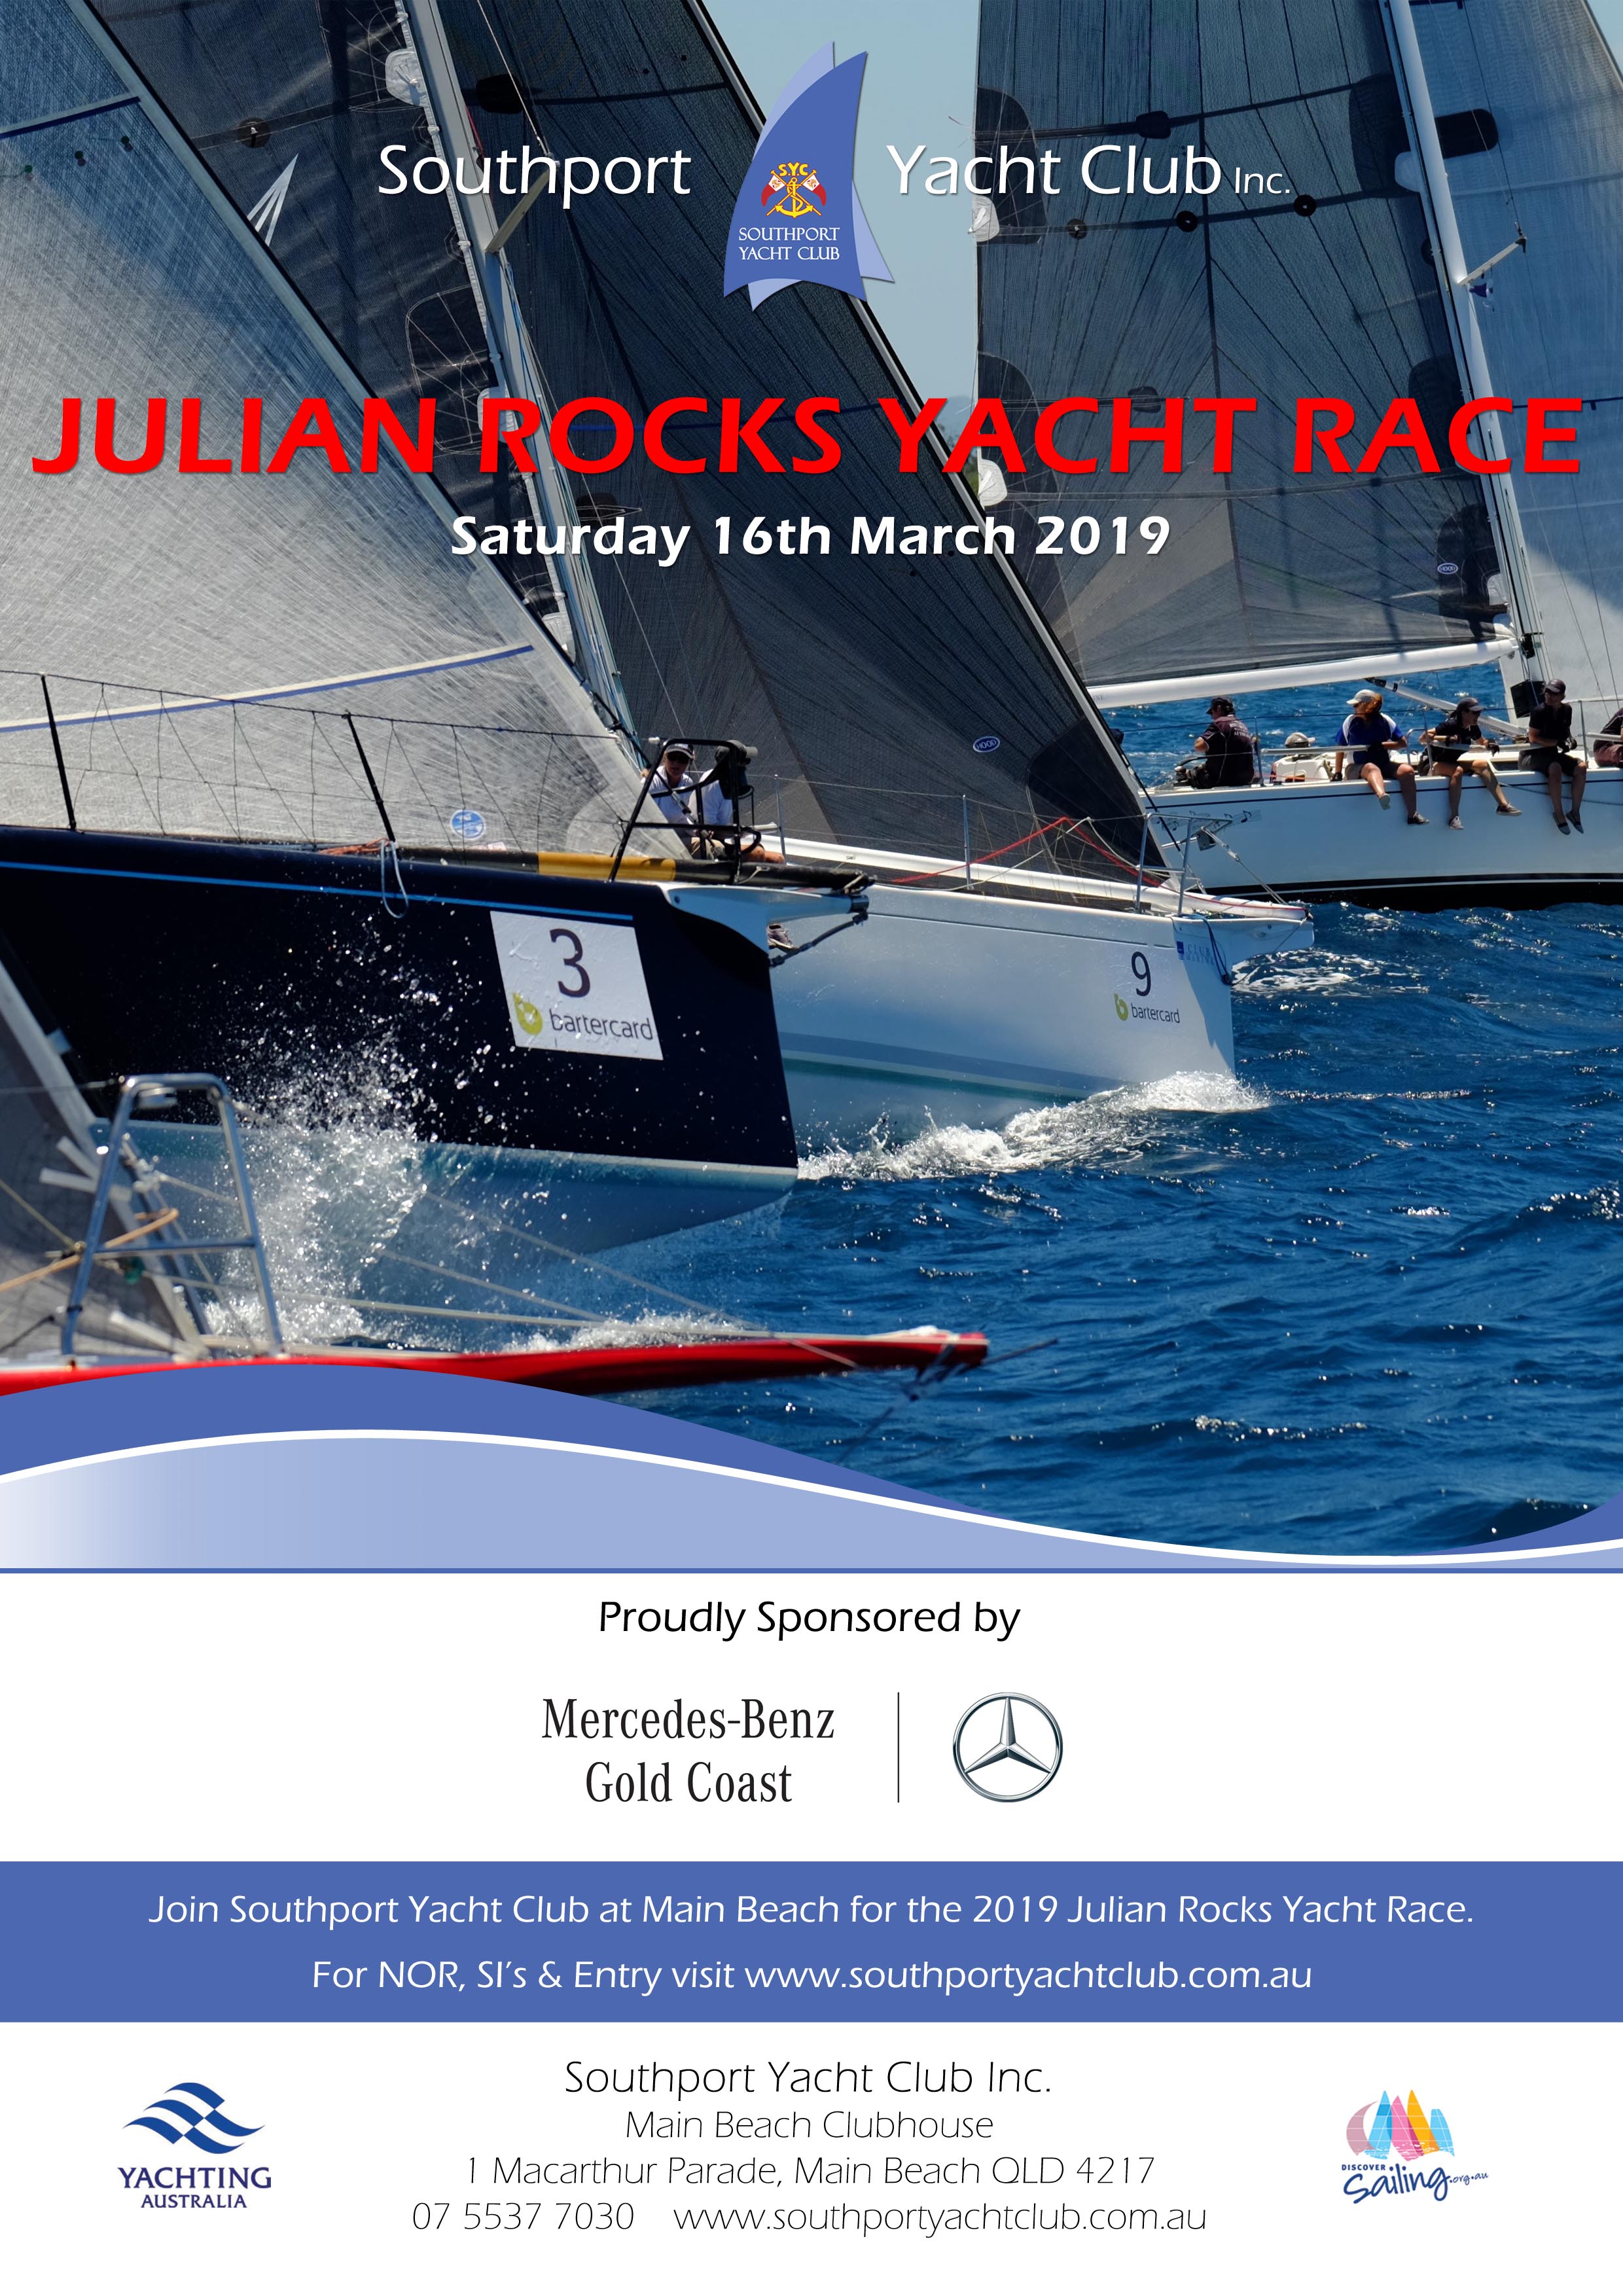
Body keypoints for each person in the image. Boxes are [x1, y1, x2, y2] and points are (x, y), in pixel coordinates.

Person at [1420, 695, 1521, 826]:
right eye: (1475, 713)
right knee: (1458, 771)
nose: (1478, 716)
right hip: (1430, 764)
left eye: (1479, 713)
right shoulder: (1450, 725)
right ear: (1464, 713)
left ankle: (1503, 805)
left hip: (1450, 763)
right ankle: (1454, 817)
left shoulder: (1472, 727)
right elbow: (1423, 738)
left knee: (1483, 765)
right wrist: (1445, 738)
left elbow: (1482, 741)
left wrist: (1490, 744)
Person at [1333, 690, 1410, 814]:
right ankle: (1382, 796)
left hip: (1382, 763)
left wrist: (1382, 746)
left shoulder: (1384, 720)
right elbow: (1340, 747)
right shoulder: (1350, 721)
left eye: (1356, 705)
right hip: (1356, 767)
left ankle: (1412, 814)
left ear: (1366, 705)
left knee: (1407, 771)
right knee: (1371, 768)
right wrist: (1338, 773)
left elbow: (1403, 743)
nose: (1354, 709)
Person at [1525, 678, 1585, 833]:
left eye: (1554, 693)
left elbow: (1566, 732)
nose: (1549, 696)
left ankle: (1575, 812)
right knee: (1555, 768)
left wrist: (1570, 740)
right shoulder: (1539, 712)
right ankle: (1559, 814)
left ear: (1563, 696)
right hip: (1533, 755)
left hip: (1552, 753)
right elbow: (1533, 738)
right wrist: (1557, 743)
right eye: (1547, 692)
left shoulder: (1567, 710)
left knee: (1581, 767)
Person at [1189, 698, 1258, 787]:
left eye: (1212, 713)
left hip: (1223, 779)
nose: (1212, 717)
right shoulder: (1243, 726)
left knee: (1189, 775)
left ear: (1219, 709)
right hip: (1245, 779)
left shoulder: (1221, 723)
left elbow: (1199, 746)